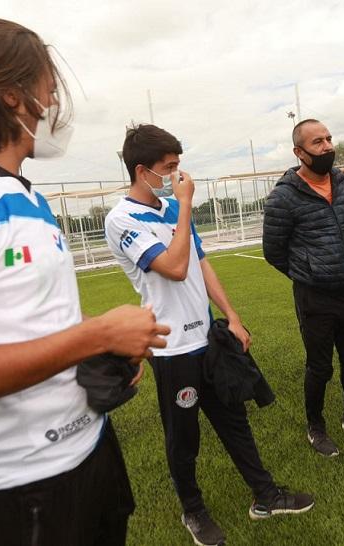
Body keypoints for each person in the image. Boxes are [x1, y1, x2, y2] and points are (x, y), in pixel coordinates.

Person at [0, 15, 169, 545]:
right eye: (45, 88)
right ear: (11, 96)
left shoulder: (25, 195)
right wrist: (97, 335)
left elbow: (33, 322)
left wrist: (103, 351)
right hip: (25, 485)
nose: (52, 104)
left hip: (86, 450)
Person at [105, 124, 314, 546]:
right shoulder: (121, 219)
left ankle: (266, 495)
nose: (178, 176)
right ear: (142, 170)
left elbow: (199, 264)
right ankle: (193, 510)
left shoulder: (170, 207)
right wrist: (183, 206)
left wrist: (232, 316)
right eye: (169, 168)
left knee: (235, 421)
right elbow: (174, 266)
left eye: (179, 166)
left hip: (209, 340)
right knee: (183, 438)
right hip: (171, 347)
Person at [262, 119, 344, 458]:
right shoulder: (283, 197)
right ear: (299, 152)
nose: (327, 146)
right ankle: (316, 426)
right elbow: (273, 252)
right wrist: (310, 272)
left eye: (329, 138)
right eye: (318, 142)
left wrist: (342, 262)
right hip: (315, 296)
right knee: (320, 366)